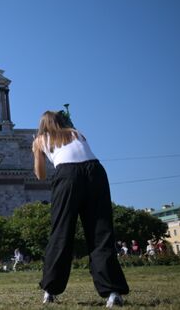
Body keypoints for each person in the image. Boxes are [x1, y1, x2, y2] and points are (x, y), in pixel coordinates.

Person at [32, 111, 129, 307]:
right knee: (101, 232)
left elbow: (41, 175)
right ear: (62, 122)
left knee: (61, 232)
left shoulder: (41, 139)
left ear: (42, 125)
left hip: (67, 175)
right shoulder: (77, 133)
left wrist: (37, 151)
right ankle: (112, 292)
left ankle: (50, 290)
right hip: (96, 172)